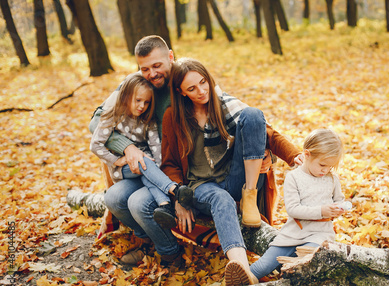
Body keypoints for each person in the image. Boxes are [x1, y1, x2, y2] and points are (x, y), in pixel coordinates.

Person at [90, 36, 301, 267]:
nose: (151, 73)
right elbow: (97, 122)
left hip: (201, 174)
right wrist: (128, 148)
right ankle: (153, 245)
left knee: (139, 204)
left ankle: (175, 247)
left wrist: (284, 154)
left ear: (170, 57)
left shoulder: (204, 91)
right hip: (157, 170)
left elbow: (254, 125)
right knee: (116, 198)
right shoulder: (138, 85)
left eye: (157, 66)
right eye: (145, 68)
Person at [160, 58, 301, 286]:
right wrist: (178, 197)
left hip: (235, 179)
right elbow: (170, 164)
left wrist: (293, 154)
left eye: (203, 82)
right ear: (181, 92)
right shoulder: (173, 117)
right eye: (192, 88)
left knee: (253, 114)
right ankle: (243, 271)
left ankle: (250, 199)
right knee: (220, 199)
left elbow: (265, 132)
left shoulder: (224, 104)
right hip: (200, 186)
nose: (201, 91)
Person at [231, 129, 352, 286]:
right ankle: (238, 285)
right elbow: (293, 209)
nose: (325, 170)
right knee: (264, 265)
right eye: (322, 165)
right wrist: (321, 210)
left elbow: (338, 199)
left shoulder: (331, 179)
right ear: (307, 154)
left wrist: (339, 207)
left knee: (304, 263)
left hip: (319, 236)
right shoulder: (294, 178)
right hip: (292, 234)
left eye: (330, 167)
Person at [90, 73, 193, 232]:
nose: (142, 106)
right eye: (138, 100)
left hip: (146, 167)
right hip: (124, 168)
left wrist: (157, 167)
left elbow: (156, 148)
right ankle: (174, 189)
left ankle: (164, 206)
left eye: (146, 102)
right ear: (125, 96)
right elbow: (95, 145)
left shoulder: (147, 120)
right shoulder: (113, 115)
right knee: (142, 162)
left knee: (146, 167)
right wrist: (116, 161)